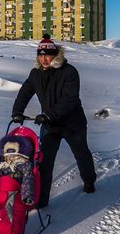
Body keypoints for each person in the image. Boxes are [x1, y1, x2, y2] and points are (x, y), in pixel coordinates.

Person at [11, 34, 97, 208]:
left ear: (55, 54)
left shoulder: (69, 72)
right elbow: (26, 91)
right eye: (40, 55)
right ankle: (41, 201)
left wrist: (48, 114)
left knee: (81, 154)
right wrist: (17, 111)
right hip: (51, 126)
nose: (43, 59)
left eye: (47, 55)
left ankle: (89, 182)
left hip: (73, 124)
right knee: (44, 164)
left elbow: (70, 99)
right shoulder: (35, 73)